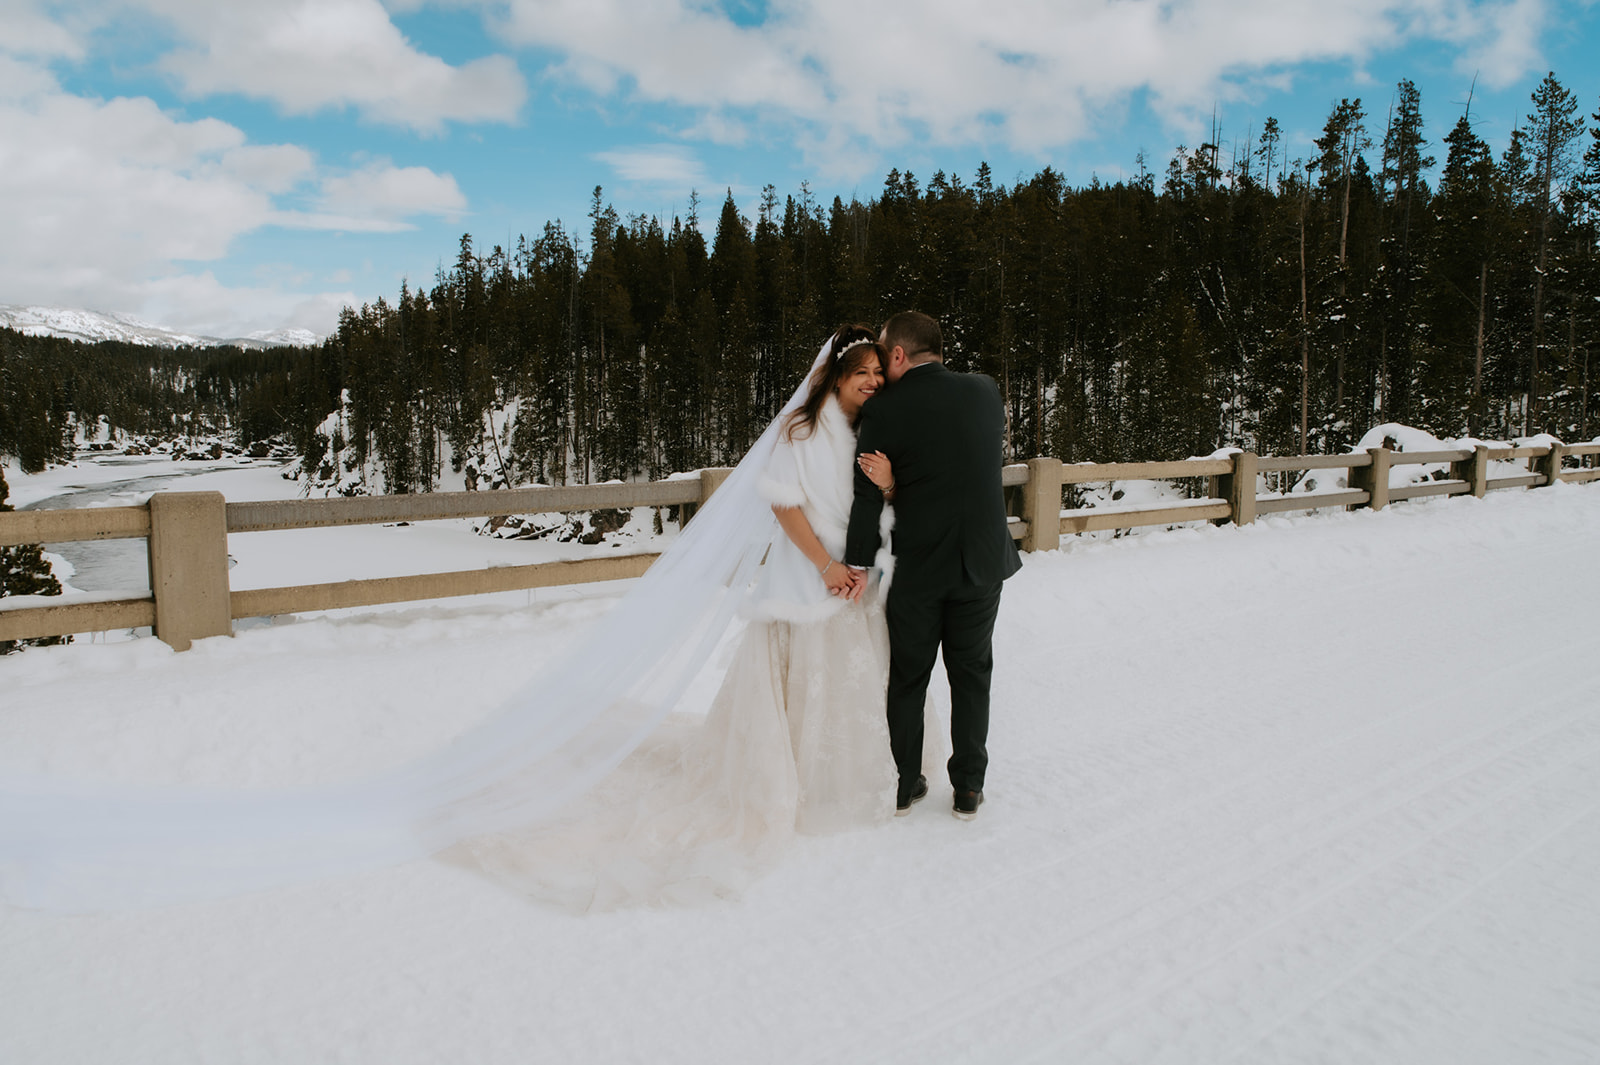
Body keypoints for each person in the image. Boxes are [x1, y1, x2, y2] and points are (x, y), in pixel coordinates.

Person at [458, 326, 944, 908]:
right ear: (836, 374)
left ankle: (853, 773)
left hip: (862, 571)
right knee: (806, 669)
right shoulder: (801, 430)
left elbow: (883, 496)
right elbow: (783, 504)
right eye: (859, 371)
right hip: (810, 568)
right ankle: (790, 776)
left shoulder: (876, 427)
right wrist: (824, 566)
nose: (870, 381)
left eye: (875, 372)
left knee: (862, 674)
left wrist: (884, 500)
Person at [844, 311, 1021, 820]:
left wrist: (857, 563)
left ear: (898, 354)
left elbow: (865, 498)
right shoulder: (986, 390)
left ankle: (903, 784)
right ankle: (968, 787)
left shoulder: (885, 410)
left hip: (920, 567)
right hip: (983, 561)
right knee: (972, 674)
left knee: (909, 677)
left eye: (883, 354)